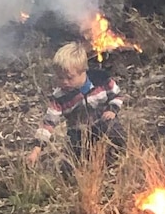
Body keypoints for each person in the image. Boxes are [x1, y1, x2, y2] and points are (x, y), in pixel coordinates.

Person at [27, 42, 126, 170]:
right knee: (69, 167)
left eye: (69, 77)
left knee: (113, 128)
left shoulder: (101, 80)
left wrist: (112, 110)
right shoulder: (60, 96)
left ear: (83, 71)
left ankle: (121, 156)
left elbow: (117, 96)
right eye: (60, 78)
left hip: (102, 123)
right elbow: (48, 123)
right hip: (79, 133)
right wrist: (36, 150)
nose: (64, 82)